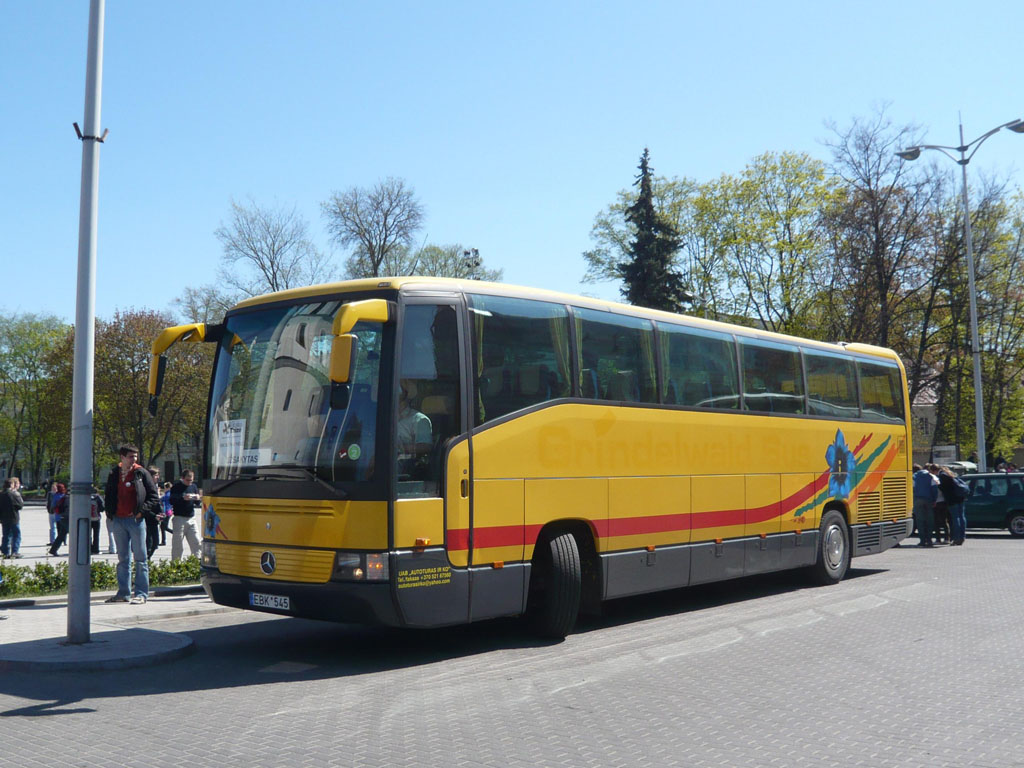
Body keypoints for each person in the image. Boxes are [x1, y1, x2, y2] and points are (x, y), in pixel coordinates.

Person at [103, 444, 160, 604]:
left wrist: (141, 511)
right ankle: (123, 593)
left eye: (135, 456)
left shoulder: (141, 473)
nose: (134, 459)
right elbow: (108, 493)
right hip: (118, 520)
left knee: (141, 559)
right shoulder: (114, 472)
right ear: (122, 457)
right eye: (130, 456)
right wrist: (110, 513)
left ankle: (141, 594)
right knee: (123, 559)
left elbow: (153, 496)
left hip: (135, 520)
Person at [396, 381, 432, 477]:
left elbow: (425, 447)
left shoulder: (420, 420)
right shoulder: (385, 419)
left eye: (399, 389)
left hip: (405, 469)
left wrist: (399, 448)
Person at [169, 469, 202, 560]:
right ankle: (175, 565)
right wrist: (183, 498)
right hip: (179, 518)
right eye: (187, 480)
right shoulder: (176, 486)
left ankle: (196, 563)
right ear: (182, 478)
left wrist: (198, 498)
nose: (189, 482)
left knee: (196, 543)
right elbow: (171, 501)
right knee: (177, 545)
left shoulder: (194, 486)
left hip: (191, 518)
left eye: (191, 480)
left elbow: (198, 503)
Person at [938, 467, 970, 546]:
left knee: (955, 518)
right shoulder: (953, 475)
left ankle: (956, 538)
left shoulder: (942, 476)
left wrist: (938, 485)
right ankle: (962, 536)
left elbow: (943, 488)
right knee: (962, 517)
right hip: (960, 498)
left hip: (952, 500)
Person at [912, 463, 938, 547]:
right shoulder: (931, 476)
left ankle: (922, 540)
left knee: (920, 520)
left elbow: (912, 488)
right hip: (928, 500)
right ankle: (929, 540)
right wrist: (934, 500)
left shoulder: (914, 476)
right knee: (929, 520)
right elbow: (935, 489)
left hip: (917, 499)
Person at [0, 477, 24, 559]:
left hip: (4, 518)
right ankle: (15, 551)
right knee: (16, 534)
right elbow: (20, 505)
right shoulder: (14, 494)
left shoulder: (1, 494)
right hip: (14, 518)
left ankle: (5, 552)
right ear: (11, 485)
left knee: (6, 535)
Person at [144, 466, 164, 559]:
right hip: (147, 520)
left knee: (155, 542)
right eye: (156, 475)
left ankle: (148, 558)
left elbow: (158, 503)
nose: (158, 477)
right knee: (148, 542)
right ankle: (145, 560)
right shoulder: (145, 488)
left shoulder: (155, 488)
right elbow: (144, 506)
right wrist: (154, 515)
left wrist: (161, 513)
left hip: (155, 520)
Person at [49, 484, 70, 556]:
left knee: (61, 534)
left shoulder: (56, 496)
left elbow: (52, 506)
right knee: (73, 534)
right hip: (67, 517)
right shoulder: (67, 497)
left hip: (59, 516)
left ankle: (53, 549)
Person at [89, 486, 105, 555]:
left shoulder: (86, 497)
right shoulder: (98, 497)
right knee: (96, 535)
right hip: (96, 518)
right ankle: (95, 549)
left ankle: (88, 548)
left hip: (87, 519)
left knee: (88, 535)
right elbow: (102, 508)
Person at [159, 481, 173, 545]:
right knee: (163, 526)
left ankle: (174, 533)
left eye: (164, 487)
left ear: (167, 488)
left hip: (166, 511)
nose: (164, 489)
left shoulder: (167, 494)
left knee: (164, 527)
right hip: (169, 511)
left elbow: (160, 499)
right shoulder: (169, 493)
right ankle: (163, 541)